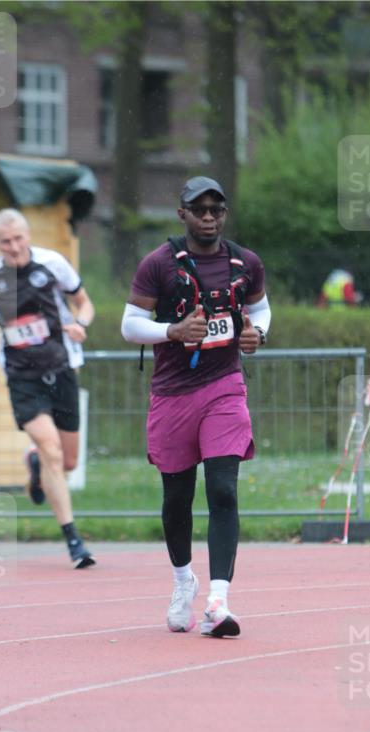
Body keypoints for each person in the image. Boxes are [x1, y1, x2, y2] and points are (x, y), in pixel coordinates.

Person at [121, 176, 271, 638]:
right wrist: (173, 331)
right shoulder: (158, 264)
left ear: (225, 214)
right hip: (172, 394)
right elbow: (130, 325)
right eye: (199, 209)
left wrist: (258, 334)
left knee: (223, 490)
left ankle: (218, 601)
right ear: (181, 213)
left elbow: (261, 310)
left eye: (216, 210)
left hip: (224, 387)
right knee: (177, 497)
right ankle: (183, 579)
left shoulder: (246, 262)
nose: (208, 217)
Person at [0, 208, 96, 569]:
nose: (13, 247)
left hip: (61, 367)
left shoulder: (52, 263)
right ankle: (73, 541)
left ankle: (35, 464)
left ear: (28, 236)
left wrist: (80, 324)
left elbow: (84, 303)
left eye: (18, 239)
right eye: (5, 242)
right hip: (21, 374)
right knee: (52, 450)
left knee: (67, 460)